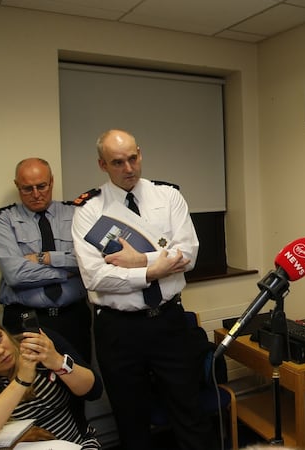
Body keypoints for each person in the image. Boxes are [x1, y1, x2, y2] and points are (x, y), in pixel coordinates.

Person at [70, 129, 212, 450]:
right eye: (117, 162)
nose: (129, 168)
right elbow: (94, 276)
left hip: (168, 321)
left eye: (133, 158)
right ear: (102, 165)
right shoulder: (89, 210)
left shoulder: (168, 196)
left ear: (140, 153)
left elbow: (187, 252)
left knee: (189, 411)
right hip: (119, 330)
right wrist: (152, 271)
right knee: (131, 419)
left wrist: (137, 261)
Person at [0, 310, 102, 449]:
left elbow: (93, 390)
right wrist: (21, 381)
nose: (0, 351)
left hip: (78, 443)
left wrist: (57, 361)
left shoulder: (36, 343)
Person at [0, 158, 92, 364]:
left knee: (79, 381)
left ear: (52, 182)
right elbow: (15, 275)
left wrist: (47, 258)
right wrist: (69, 271)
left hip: (73, 317)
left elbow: (89, 260)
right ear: (17, 186)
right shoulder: (3, 220)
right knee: (30, 387)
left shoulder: (77, 213)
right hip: (26, 320)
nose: (36, 194)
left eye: (42, 186)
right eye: (27, 189)